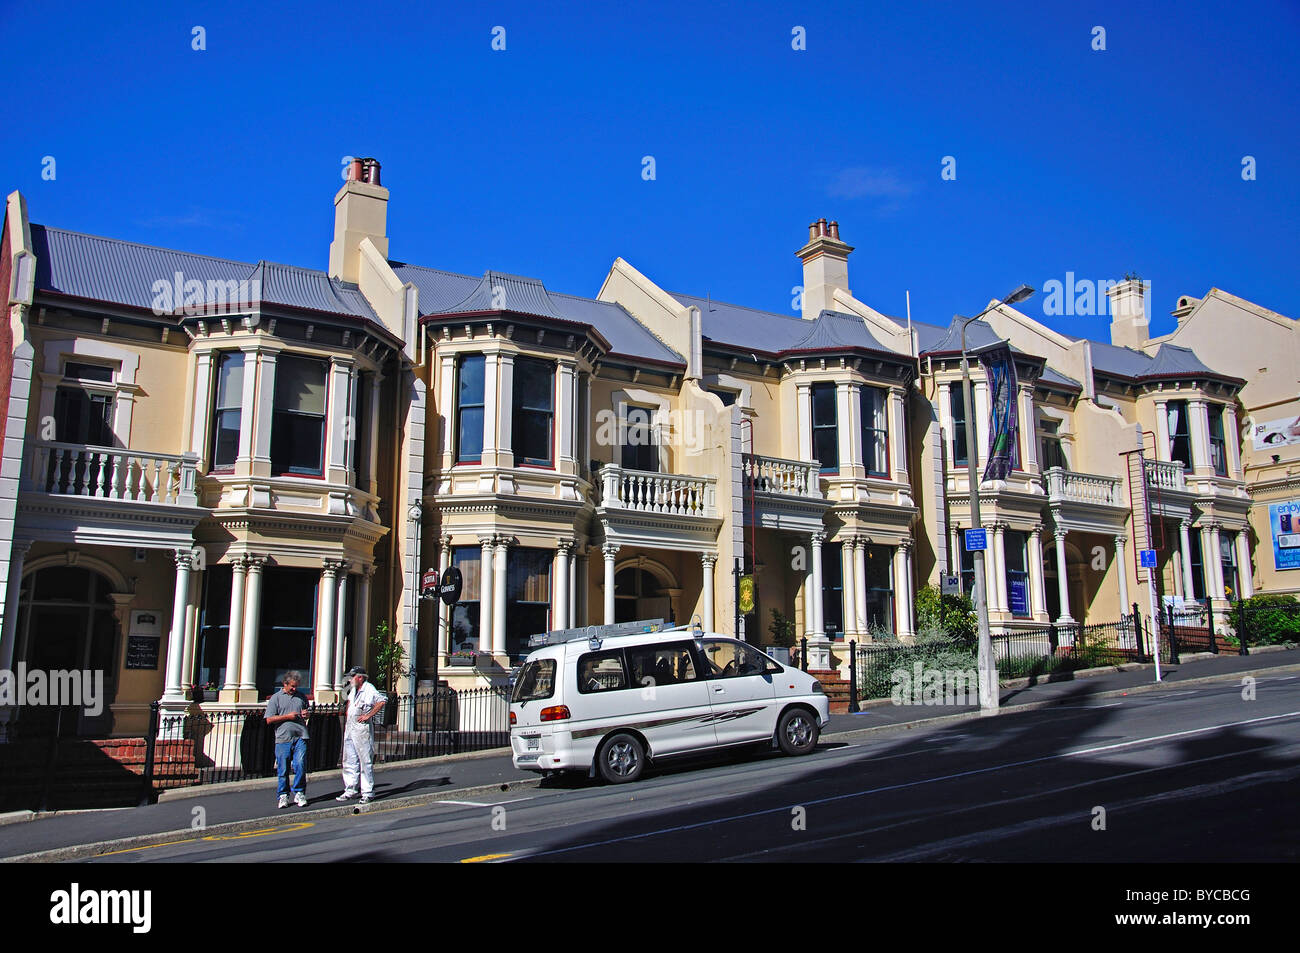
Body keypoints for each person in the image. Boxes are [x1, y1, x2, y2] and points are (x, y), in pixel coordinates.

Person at [336, 666, 386, 804]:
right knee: (349, 758)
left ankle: (368, 791)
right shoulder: (353, 690)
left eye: (353, 677)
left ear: (360, 677)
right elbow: (350, 703)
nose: (350, 679)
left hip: (361, 727)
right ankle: (350, 789)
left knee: (365, 759)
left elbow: (382, 701)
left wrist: (368, 715)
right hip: (350, 726)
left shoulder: (368, 688)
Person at [264, 671, 310, 809]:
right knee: (283, 769)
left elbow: (306, 713)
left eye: (296, 686)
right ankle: (283, 795)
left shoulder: (301, 697)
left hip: (300, 736)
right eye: (292, 686)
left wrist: (306, 714)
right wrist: (287, 717)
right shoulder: (276, 698)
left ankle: (299, 792)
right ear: (285, 684)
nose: (294, 689)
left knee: (300, 765)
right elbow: (269, 719)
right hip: (283, 738)